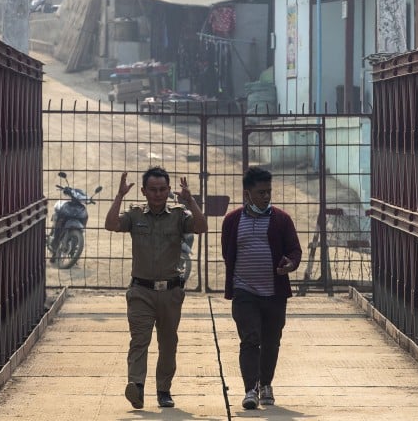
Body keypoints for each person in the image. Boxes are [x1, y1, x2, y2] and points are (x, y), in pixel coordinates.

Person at [105, 166, 207, 409]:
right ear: (144, 191)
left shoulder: (178, 215)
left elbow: (201, 227)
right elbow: (110, 225)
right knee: (139, 340)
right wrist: (119, 196)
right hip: (141, 291)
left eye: (162, 189)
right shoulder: (136, 215)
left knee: (168, 343)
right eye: (153, 190)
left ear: (169, 190)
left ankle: (163, 390)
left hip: (170, 293)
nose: (158, 194)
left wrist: (191, 201)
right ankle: (137, 387)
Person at [221, 166, 302, 410]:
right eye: (261, 192)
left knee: (271, 340)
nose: (266, 197)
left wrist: (290, 264)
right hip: (244, 291)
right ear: (247, 194)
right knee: (250, 339)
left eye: (269, 192)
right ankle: (250, 389)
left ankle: (266, 384)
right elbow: (228, 253)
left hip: (274, 293)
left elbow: (294, 250)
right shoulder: (233, 221)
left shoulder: (281, 219)